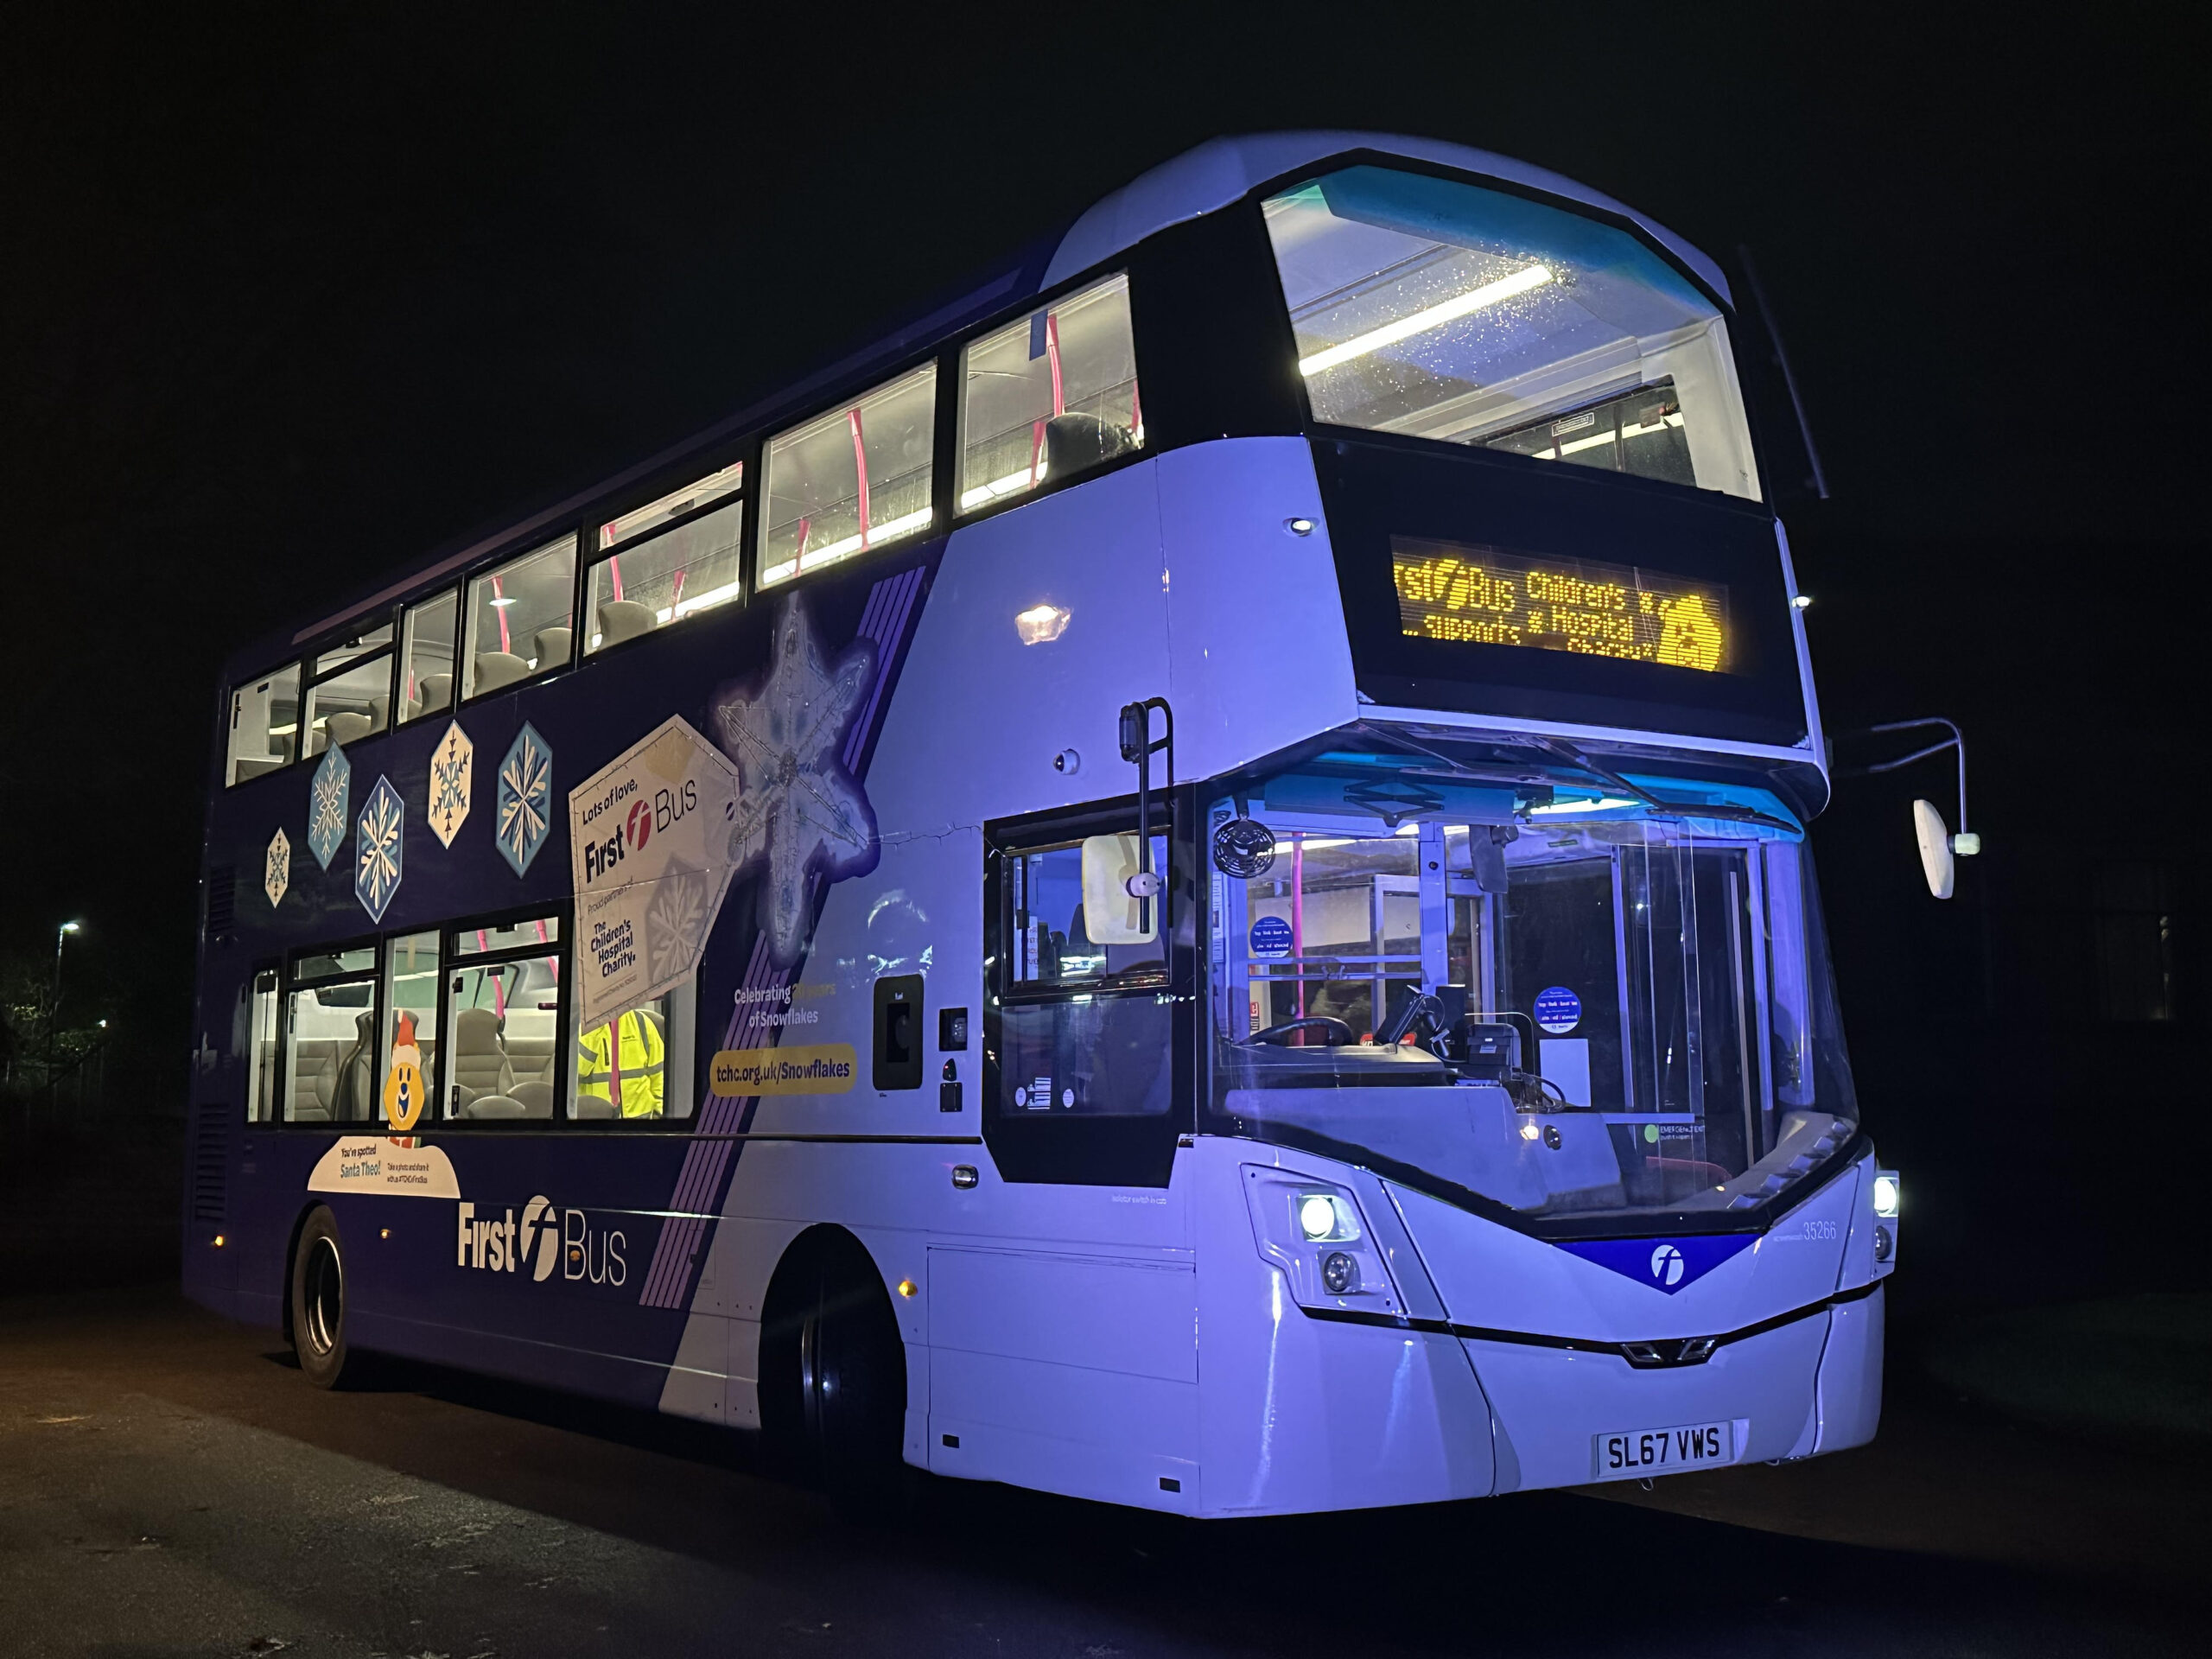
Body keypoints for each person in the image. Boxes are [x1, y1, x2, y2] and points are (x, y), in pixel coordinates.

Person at [575, 1006, 665, 1117]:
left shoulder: (642, 1023)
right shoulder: (580, 1027)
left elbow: (660, 1075)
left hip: (639, 1122)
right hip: (598, 1118)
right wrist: (593, 1027)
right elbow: (580, 1070)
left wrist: (659, 1116)